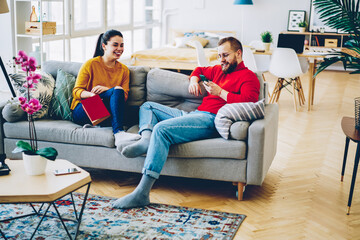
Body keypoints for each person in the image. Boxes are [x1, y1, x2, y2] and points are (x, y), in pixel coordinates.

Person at [112, 37, 260, 209]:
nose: (221, 60)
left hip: (209, 120)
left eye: (225, 55)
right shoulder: (219, 70)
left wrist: (221, 93)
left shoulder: (249, 77)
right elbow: (198, 69)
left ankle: (142, 192)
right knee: (148, 106)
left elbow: (249, 102)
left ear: (239, 53)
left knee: (160, 130)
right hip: (194, 114)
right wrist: (193, 80)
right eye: (219, 56)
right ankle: (146, 140)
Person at [70, 29, 140, 150]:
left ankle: (100, 124)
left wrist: (108, 90)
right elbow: (76, 91)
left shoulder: (124, 70)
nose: (120, 49)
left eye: (122, 45)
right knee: (118, 94)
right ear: (104, 46)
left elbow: (123, 97)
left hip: (108, 109)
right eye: (115, 45)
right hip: (85, 108)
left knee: (138, 111)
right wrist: (92, 96)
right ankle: (118, 133)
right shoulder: (91, 64)